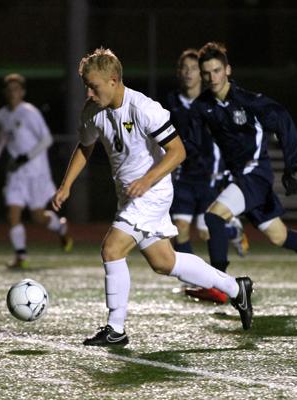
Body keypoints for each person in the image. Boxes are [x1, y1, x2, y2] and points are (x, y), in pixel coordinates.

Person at [52, 47, 254, 346]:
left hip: (153, 191)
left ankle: (116, 328)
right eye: (87, 86)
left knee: (111, 249)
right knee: (164, 262)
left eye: (93, 86)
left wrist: (147, 181)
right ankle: (237, 289)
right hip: (131, 195)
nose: (89, 93)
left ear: (113, 80)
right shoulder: (92, 110)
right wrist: (66, 185)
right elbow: (85, 146)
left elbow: (178, 151)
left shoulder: (145, 108)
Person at [188, 42, 297, 288]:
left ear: (228, 70)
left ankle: (219, 286)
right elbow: (191, 141)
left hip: (255, 174)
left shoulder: (248, 101)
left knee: (213, 217)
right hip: (240, 178)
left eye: (217, 71)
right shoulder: (203, 106)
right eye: (207, 73)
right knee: (279, 236)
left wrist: (290, 167)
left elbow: (283, 122)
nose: (212, 77)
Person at [164, 48, 250, 304]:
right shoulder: (171, 101)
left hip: (210, 176)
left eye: (194, 68)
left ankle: (232, 231)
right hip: (183, 176)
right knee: (179, 230)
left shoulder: (211, 101)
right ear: (179, 73)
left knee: (205, 232)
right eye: (184, 68)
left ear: (201, 75)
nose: (189, 73)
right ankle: (198, 281)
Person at [0, 73, 73, 269]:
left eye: (16, 90)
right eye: (9, 90)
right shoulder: (1, 115)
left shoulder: (29, 112)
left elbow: (47, 139)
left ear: (22, 92)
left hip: (36, 173)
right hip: (16, 173)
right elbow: (2, 137)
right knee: (12, 214)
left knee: (37, 217)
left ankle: (60, 227)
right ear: (5, 92)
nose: (13, 93)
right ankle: (21, 256)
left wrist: (26, 156)